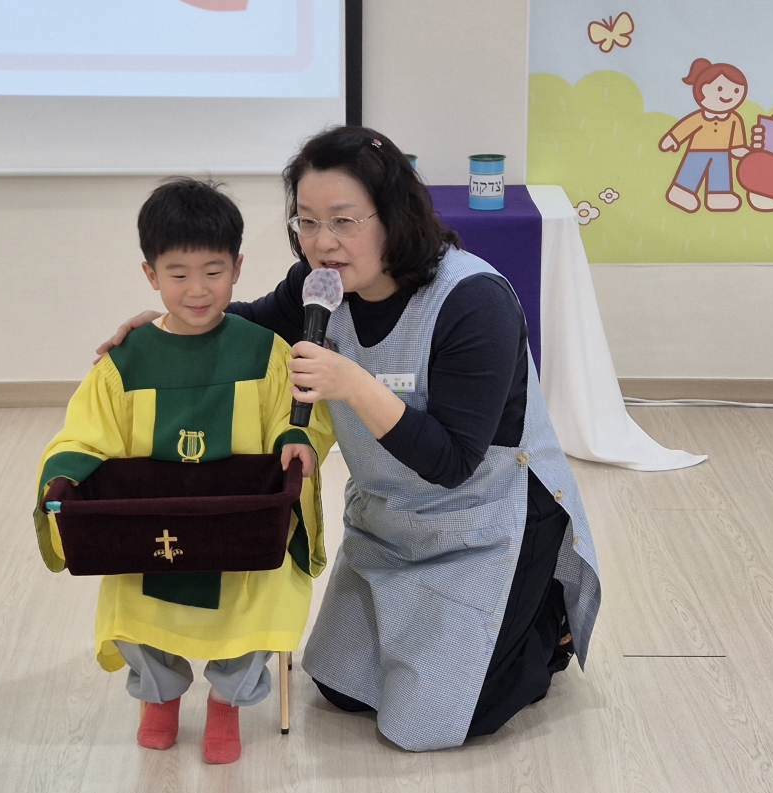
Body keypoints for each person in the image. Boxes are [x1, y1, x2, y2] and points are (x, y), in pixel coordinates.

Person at [97, 127, 602, 752]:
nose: (322, 242)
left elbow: (452, 461)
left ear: (393, 215)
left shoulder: (474, 300)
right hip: (388, 520)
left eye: (343, 221)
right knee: (341, 691)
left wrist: (355, 385)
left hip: (485, 519)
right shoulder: (317, 285)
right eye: (307, 222)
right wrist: (171, 325)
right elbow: (248, 326)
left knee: (432, 726)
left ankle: (544, 619)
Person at [34, 178, 334, 764]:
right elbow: (85, 432)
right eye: (178, 274)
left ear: (238, 268)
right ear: (151, 275)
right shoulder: (126, 362)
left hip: (238, 526)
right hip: (155, 528)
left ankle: (227, 703)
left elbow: (297, 417)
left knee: (265, 594)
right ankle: (160, 697)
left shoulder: (265, 351)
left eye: (213, 271)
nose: (197, 289)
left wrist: (298, 439)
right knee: (130, 601)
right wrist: (64, 470)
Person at [659, 58, 750, 213]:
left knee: (720, 174)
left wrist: (740, 150)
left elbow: (737, 140)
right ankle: (682, 191)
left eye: (736, 91)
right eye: (719, 88)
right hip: (697, 152)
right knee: (692, 171)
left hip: (722, 154)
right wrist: (673, 139)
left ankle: (719, 195)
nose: (728, 95)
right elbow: (685, 128)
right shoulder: (699, 117)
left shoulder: (734, 119)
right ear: (704, 89)